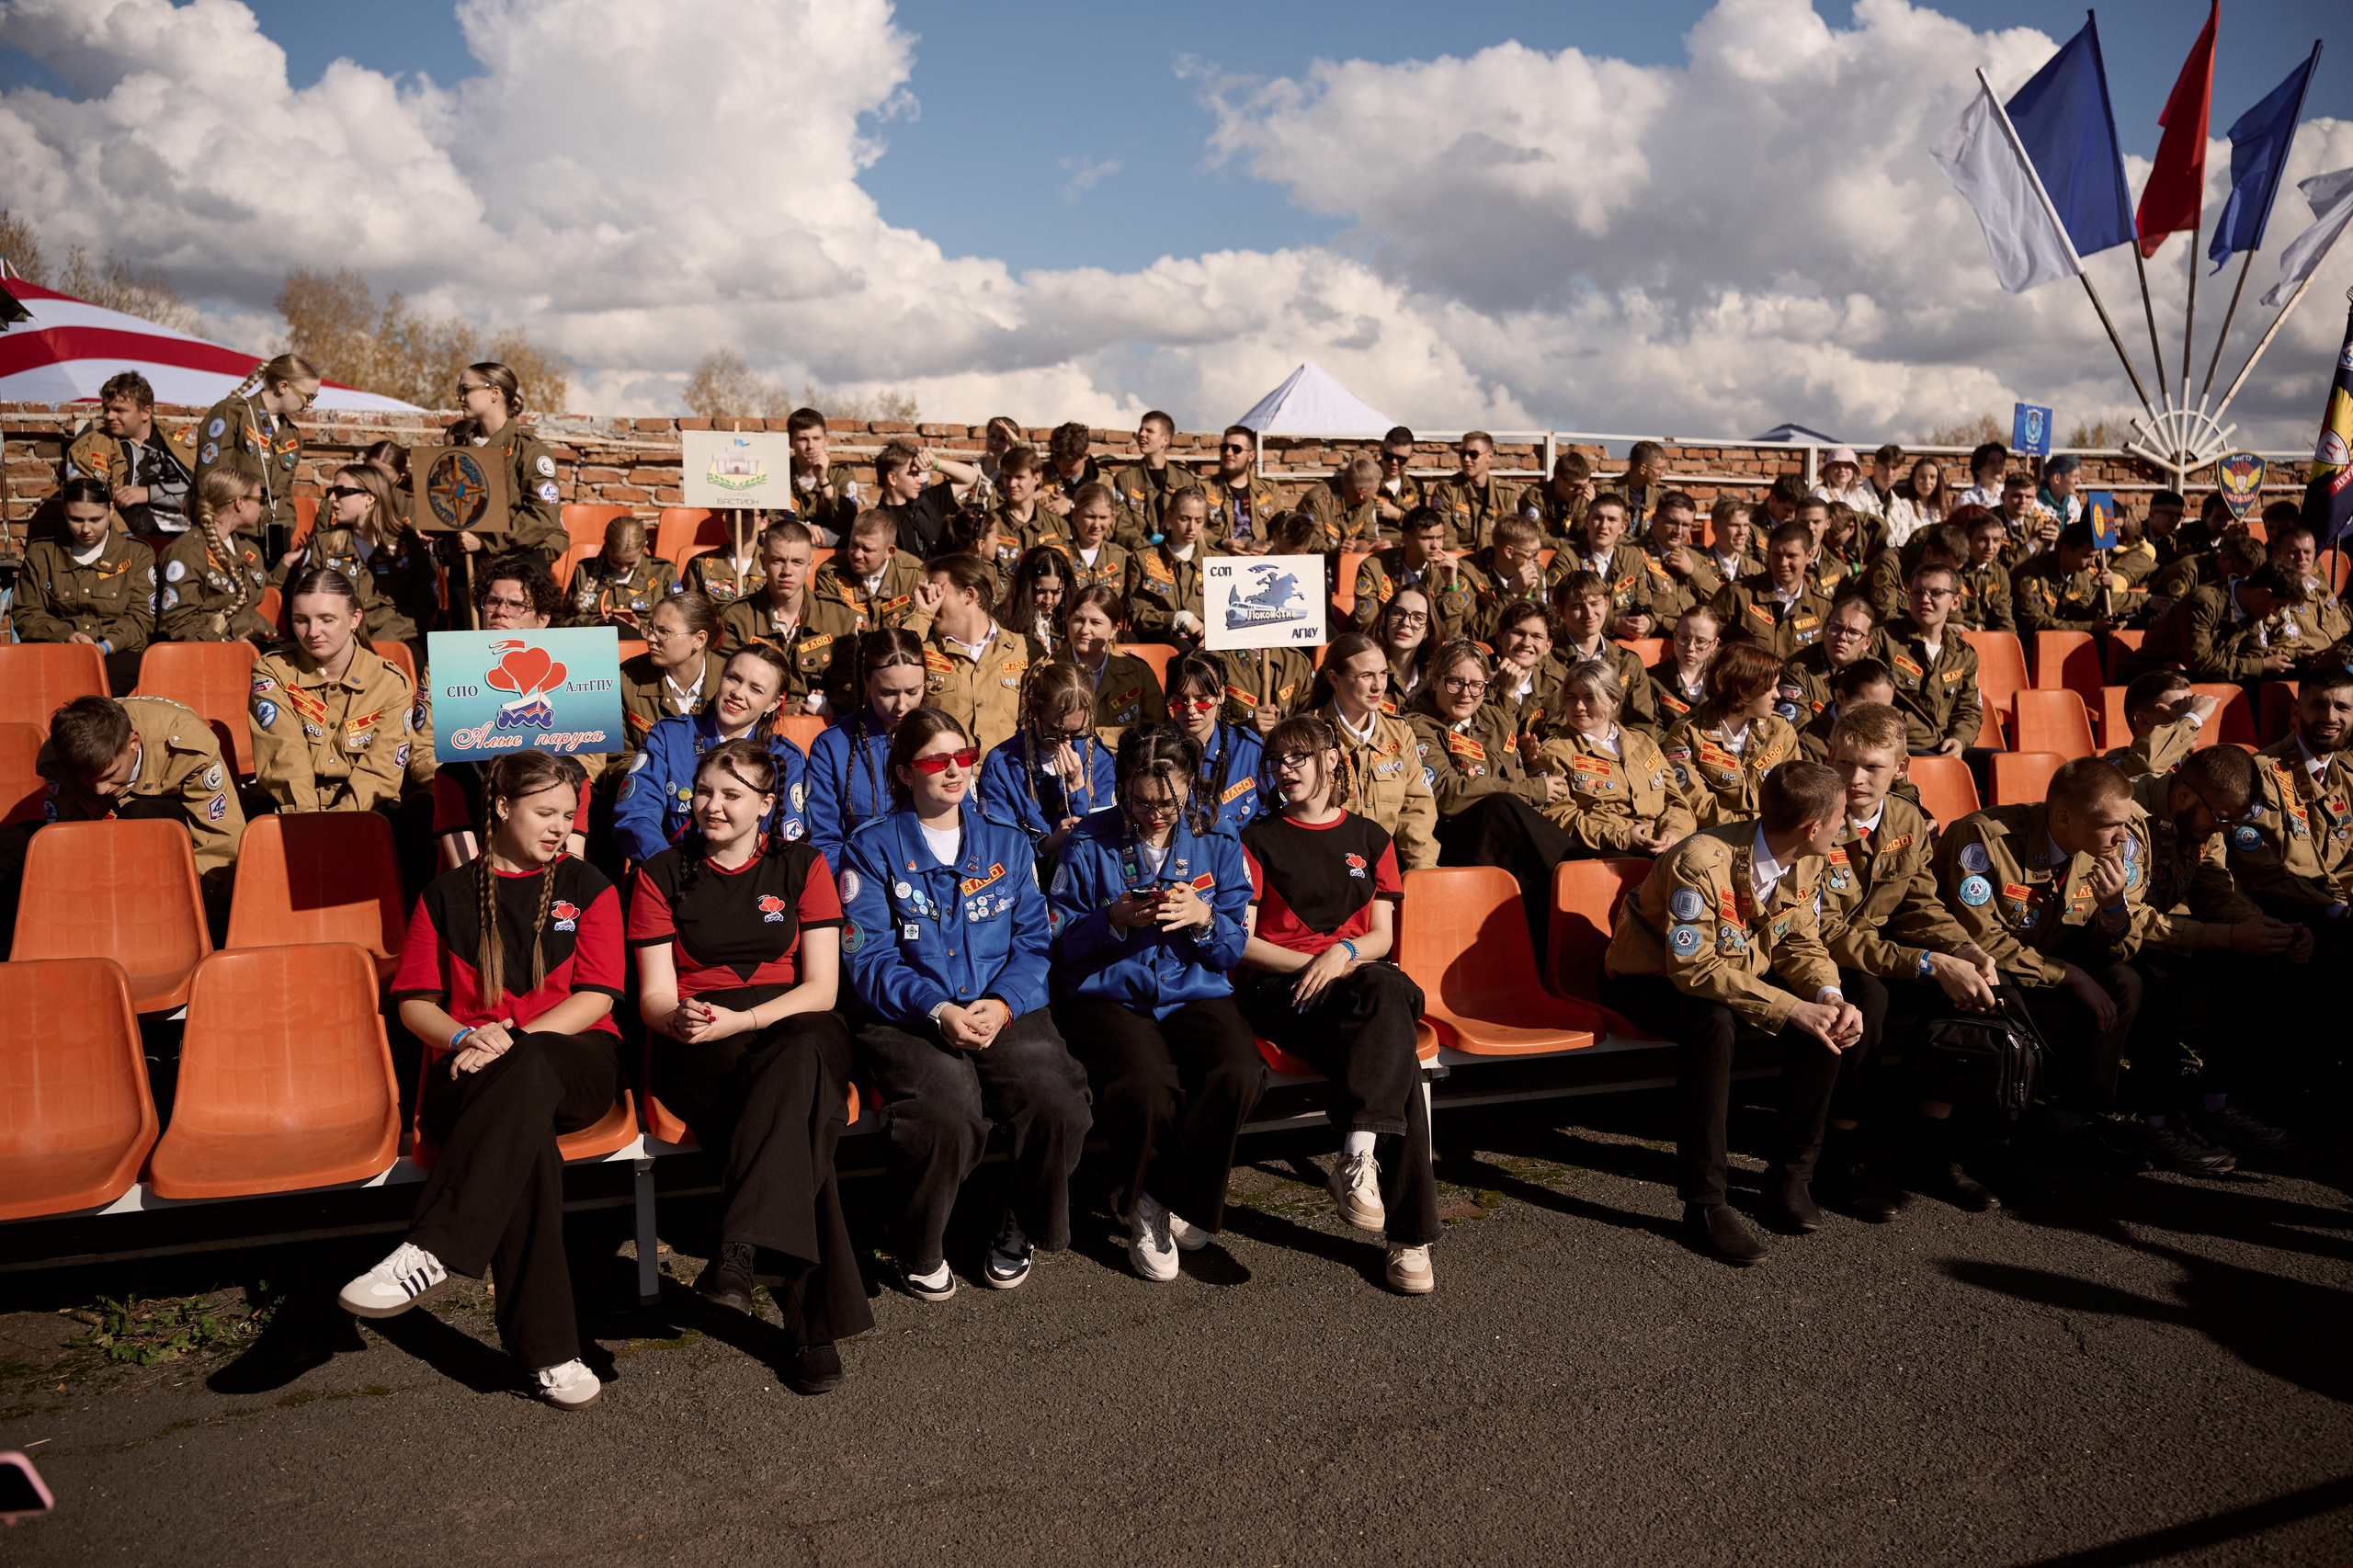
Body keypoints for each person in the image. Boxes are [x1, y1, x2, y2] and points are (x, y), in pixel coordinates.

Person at [341, 753, 618, 1410]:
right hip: (471, 1070)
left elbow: (600, 996)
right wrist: (466, 1036)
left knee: (528, 1070)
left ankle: (433, 1247)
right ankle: (551, 1355)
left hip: (572, 1061)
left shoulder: (591, 884)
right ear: (500, 807)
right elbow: (414, 1003)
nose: (560, 827)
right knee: (525, 1150)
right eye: (544, 813)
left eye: (568, 815)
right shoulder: (445, 894)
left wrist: (514, 1037)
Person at [629, 739, 869, 1392]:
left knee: (798, 1061)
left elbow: (822, 988)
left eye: (732, 795)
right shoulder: (661, 872)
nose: (713, 805)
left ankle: (738, 1252)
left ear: (766, 805)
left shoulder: (803, 865)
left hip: (798, 1021)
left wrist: (748, 1019)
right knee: (798, 1112)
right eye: (705, 791)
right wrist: (675, 1018)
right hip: (703, 1035)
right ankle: (807, 1326)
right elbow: (653, 994)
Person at [840, 707, 1092, 1298]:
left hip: (1002, 1006)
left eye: (963, 757)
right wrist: (936, 1008)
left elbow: (1034, 942)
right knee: (946, 1111)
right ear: (904, 772)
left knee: (1057, 1098)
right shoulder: (870, 849)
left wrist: (1004, 1003)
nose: (953, 770)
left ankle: (1019, 1225)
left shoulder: (1006, 842)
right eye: (935, 760)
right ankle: (917, 1245)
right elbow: (868, 958)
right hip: (909, 1016)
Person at [1601, 760, 1865, 1264]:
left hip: (1733, 969)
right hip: (1648, 976)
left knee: (1824, 1021)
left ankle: (1790, 1178)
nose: (1844, 828)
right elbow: (1693, 968)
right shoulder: (1701, 860)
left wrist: (1828, 996)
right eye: (1840, 818)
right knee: (1712, 1025)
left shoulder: (1807, 856)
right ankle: (1705, 1203)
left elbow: (1799, 943)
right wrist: (1790, 1008)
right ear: (1813, 827)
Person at [1048, 726, 1259, 1281]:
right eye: (1140, 802)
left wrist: (1205, 919)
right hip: (1110, 992)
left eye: (1167, 801)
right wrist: (1109, 921)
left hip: (1193, 986)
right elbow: (1056, 939)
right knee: (1147, 1087)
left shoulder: (1219, 834)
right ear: (1121, 789)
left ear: (1190, 785)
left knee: (1238, 1070)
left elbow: (1234, 943)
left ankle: (1169, 1190)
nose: (1155, 814)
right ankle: (1143, 1205)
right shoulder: (1088, 839)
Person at [1237, 713, 1439, 1292]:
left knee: (1384, 1004)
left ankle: (1359, 1157)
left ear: (1331, 758)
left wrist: (1341, 954)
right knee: (1391, 1015)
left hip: (1355, 989)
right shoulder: (1257, 839)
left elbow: (1380, 935)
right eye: (1276, 760)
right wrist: (1317, 963)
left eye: (1298, 757)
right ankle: (1408, 1233)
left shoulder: (1372, 837)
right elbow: (1246, 943)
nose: (1285, 770)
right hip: (1286, 991)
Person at [1813, 704, 2002, 1218]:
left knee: (1970, 986)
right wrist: (1927, 962)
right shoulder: (1810, 817)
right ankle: (1839, 1157)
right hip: (1815, 957)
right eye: (1845, 763)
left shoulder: (1906, 819)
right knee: (1867, 996)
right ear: (1828, 757)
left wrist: (1962, 949)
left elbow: (1919, 903)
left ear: (1900, 769)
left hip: (1876, 950)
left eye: (1872, 767)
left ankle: (1932, 1148)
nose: (1854, 779)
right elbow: (1824, 934)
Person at [1931, 758, 2152, 1175]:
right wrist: (2068, 976)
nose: (2124, 836)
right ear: (2064, 816)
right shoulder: (1985, 839)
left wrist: (2113, 911)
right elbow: (1985, 943)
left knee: (2125, 983)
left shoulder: (2100, 846)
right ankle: (1997, 1135)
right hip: (1990, 965)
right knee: (2001, 989)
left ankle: (2071, 1119)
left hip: (2048, 958)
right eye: (2113, 825)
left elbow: (2107, 952)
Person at [2119, 744, 2303, 1174]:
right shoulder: (2128, 817)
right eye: (2221, 819)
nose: (2225, 829)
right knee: (2157, 976)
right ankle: (2159, 1120)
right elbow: (2128, 919)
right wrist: (2231, 935)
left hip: (2166, 932)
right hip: (2110, 938)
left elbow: (2214, 888)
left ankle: (2216, 1103)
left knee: (2257, 960)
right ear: (2184, 796)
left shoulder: (2209, 820)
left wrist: (2263, 930)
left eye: (2233, 821)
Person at [15, 694, 244, 923]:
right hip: (105, 845)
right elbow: (69, 836)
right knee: (9, 847)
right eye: (86, 780)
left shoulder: (189, 748)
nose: (100, 790)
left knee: (138, 814)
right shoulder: (58, 758)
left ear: (134, 742)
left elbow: (221, 845)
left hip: (175, 843)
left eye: (110, 775)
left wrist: (182, 896)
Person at [427, 556, 592, 869]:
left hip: (548, 778)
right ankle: (471, 888)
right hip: (473, 784)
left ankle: (563, 887)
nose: (500, 611)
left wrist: (534, 784)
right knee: (449, 776)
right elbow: (424, 745)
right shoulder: (448, 665)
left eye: (515, 605)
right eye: (493, 601)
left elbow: (592, 749)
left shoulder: (574, 662)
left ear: (542, 619)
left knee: (574, 779)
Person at [615, 643, 807, 864]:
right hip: (673, 872)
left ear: (774, 704)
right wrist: (668, 869)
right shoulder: (669, 736)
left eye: (756, 689)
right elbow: (635, 816)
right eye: (733, 678)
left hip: (748, 885)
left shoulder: (784, 758)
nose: (738, 693)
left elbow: (787, 839)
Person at [248, 569, 415, 814]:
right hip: (290, 808)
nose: (313, 631)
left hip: (364, 810)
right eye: (301, 620)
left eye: (327, 619)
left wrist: (338, 823)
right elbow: (284, 757)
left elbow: (380, 772)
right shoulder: (272, 670)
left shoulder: (390, 683)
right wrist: (311, 823)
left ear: (355, 619)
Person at [1535, 656, 1698, 859]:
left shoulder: (1644, 744)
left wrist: (1675, 832)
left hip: (1661, 848)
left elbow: (1675, 801)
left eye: (1589, 697)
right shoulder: (1554, 752)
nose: (1578, 706)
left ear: (1614, 702)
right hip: (1604, 852)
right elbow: (1560, 818)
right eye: (1571, 698)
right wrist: (1622, 838)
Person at [12, 477, 153, 694]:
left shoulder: (137, 554)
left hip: (118, 658)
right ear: (64, 511)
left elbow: (141, 618)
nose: (86, 529)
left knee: (95, 691)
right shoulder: (42, 554)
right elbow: (26, 613)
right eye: (76, 519)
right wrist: (65, 635)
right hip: (56, 655)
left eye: (96, 519)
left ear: (111, 509)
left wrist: (105, 646)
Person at [1312, 632, 1438, 869]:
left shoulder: (1399, 732)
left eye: (1383, 674)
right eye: (1366, 675)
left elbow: (1417, 806)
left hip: (1384, 867)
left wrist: (1422, 868)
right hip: (1328, 868)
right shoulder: (1308, 734)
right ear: (1334, 679)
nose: (1378, 685)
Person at [803, 629, 926, 866]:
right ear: (867, 681)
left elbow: (965, 828)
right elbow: (823, 842)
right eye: (887, 693)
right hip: (859, 885)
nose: (901, 705)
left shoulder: (943, 740)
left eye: (913, 692)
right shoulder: (831, 748)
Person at [718, 519, 860, 715]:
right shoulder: (736, 618)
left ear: (810, 565)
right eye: (777, 561)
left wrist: (829, 708)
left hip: (821, 730)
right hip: (753, 731)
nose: (787, 572)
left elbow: (850, 690)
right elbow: (725, 690)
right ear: (763, 562)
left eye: (797, 562)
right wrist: (784, 711)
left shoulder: (839, 617)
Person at [979, 660, 1117, 859]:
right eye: (1054, 731)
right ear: (1034, 710)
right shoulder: (1002, 765)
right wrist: (1047, 845)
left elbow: (1103, 843)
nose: (1065, 741)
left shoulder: (1100, 759)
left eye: (1077, 732)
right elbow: (1000, 847)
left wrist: (1077, 787)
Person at [300, 463, 435, 658]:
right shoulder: (324, 542)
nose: (331, 499)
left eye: (341, 491)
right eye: (331, 491)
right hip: (336, 645)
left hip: (395, 641)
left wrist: (380, 641)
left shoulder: (408, 543)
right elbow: (306, 602)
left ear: (370, 498)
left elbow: (424, 607)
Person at [1664, 642, 1802, 825]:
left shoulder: (1780, 728)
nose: (1777, 695)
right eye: (1770, 687)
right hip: (1716, 835)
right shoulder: (1687, 732)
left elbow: (1795, 791)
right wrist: (1750, 828)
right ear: (1743, 688)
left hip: (1772, 833)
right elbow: (1695, 802)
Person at [191, 353, 318, 547]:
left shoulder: (291, 435)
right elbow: (211, 482)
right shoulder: (233, 413)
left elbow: (283, 493)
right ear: (283, 386)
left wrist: (287, 528)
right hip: (233, 534)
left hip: (273, 539)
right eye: (308, 396)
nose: (310, 404)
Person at [445, 361, 567, 563]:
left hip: (515, 564)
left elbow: (543, 515)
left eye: (465, 389)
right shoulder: (459, 449)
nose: (459, 397)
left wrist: (488, 541)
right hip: (464, 565)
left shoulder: (529, 450)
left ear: (494, 393)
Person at [915, 552, 1039, 753]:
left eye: (938, 591)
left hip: (1006, 779)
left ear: (969, 595)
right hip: (949, 776)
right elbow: (894, 657)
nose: (931, 599)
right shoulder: (922, 652)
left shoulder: (1025, 651)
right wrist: (922, 613)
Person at [64, 369, 194, 538]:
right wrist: (128, 542)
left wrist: (147, 493)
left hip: (194, 537)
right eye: (106, 409)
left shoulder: (182, 441)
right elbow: (89, 506)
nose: (109, 416)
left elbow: (209, 492)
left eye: (119, 410)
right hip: (134, 542)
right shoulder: (87, 449)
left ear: (146, 412)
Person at [155, 467, 273, 645]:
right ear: (239, 502)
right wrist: (225, 645)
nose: (262, 506)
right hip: (210, 653)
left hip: (255, 641)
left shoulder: (248, 549)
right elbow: (177, 623)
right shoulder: (187, 552)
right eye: (259, 499)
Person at [1879, 563, 1984, 758]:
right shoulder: (1883, 641)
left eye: (1936, 593)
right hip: (1898, 745)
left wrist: (1959, 740)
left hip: (1943, 746)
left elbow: (1969, 710)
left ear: (1955, 601)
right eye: (1917, 592)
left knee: (1997, 759)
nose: (1924, 599)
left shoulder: (1963, 655)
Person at [1164, 651, 1271, 835]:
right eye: (1179, 702)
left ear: (1221, 694)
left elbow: (1271, 819)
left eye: (1202, 701)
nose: (1191, 710)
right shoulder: (1153, 753)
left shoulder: (1249, 751)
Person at [1546, 571, 1658, 733]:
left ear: (1606, 603)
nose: (1589, 614)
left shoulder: (1628, 663)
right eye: (1578, 606)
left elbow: (1642, 726)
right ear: (1561, 611)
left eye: (1594, 603)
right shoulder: (1547, 660)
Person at [1351, 506, 1480, 644]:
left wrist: (1451, 587)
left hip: (1426, 652)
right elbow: (1368, 628)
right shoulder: (1374, 567)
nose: (1435, 546)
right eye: (1427, 538)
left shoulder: (1445, 572)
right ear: (1405, 539)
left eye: (1440, 538)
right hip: (1383, 648)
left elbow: (1452, 637)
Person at [620, 591, 727, 756]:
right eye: (650, 628)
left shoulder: (730, 680)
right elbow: (619, 759)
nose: (651, 638)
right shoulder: (626, 680)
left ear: (699, 639)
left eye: (663, 632)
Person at [1711, 520, 1834, 662]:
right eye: (1776, 555)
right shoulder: (1737, 594)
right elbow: (1708, 646)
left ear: (1809, 555)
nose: (1782, 563)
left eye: (1791, 556)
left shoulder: (1821, 607)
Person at [814, 507, 928, 631]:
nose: (857, 554)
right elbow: (831, 629)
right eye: (854, 544)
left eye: (867, 549)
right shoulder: (830, 573)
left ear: (889, 552)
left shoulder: (913, 574)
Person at [1128, 485, 1214, 646]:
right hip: (1163, 641)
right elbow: (1138, 615)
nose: (1191, 527)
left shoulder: (1216, 560)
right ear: (1169, 515)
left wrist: (1213, 634)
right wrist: (1181, 618)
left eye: (1198, 520)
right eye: (1184, 519)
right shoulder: (1144, 558)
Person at [1777, 595, 1878, 729]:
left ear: (1867, 643)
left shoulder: (1876, 673)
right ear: (1824, 629)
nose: (1842, 637)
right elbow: (1799, 734)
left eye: (1853, 632)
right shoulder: (1796, 672)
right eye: (1836, 628)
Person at [871, 439, 981, 559]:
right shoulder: (877, 522)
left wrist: (936, 464)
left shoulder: (928, 501)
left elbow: (971, 477)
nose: (920, 480)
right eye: (914, 474)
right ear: (893, 478)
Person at [1569, 493, 1657, 640]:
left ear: (1623, 527)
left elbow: (1645, 605)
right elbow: (1559, 615)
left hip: (1622, 645)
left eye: (1612, 520)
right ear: (1586, 522)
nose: (1604, 526)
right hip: (1578, 643)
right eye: (1597, 517)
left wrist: (1646, 622)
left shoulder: (1632, 558)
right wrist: (1613, 623)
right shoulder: (1568, 557)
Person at [2013, 520, 2120, 638]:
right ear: (2065, 549)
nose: (2093, 564)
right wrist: (2092, 627)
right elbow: (2036, 623)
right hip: (2031, 644)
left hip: (2067, 640)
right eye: (2087, 556)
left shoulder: (2082, 574)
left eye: (2095, 557)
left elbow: (2081, 616)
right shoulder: (2031, 573)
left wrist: (2107, 592)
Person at [566, 514, 673, 631]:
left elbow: (678, 624)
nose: (623, 569)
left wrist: (643, 628)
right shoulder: (586, 571)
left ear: (644, 547)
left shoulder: (663, 572)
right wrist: (595, 623)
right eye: (615, 561)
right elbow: (564, 621)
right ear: (606, 546)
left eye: (631, 563)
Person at [2101, 673, 2216, 778]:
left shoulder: (2200, 769)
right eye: (2179, 710)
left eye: (2189, 708)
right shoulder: (2112, 768)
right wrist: (2194, 716)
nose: (2187, 721)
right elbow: (2146, 764)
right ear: (2143, 720)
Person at [1110, 410, 1195, 550]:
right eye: (1141, 430)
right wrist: (1147, 548)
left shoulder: (1184, 479)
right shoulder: (1125, 478)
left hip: (1177, 555)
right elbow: (1122, 527)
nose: (1142, 434)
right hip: (1139, 556)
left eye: (1149, 431)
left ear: (1165, 440)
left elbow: (1195, 523)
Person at [1427, 431, 1520, 553]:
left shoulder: (1506, 493)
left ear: (1489, 456)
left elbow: (1511, 538)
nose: (1466, 459)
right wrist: (1473, 566)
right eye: (1462, 454)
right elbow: (1446, 539)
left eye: (1473, 454)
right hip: (1459, 562)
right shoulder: (1447, 490)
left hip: (1496, 563)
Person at [1639, 494, 1719, 634]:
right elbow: (1639, 614)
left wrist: (1693, 573)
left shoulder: (1695, 557)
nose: (1679, 531)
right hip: (1655, 640)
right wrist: (1683, 628)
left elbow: (1720, 602)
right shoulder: (1633, 555)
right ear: (1655, 520)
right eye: (1672, 522)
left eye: (1686, 525)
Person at [1201, 426, 1285, 555]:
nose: (1228, 453)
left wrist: (1267, 548)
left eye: (1236, 449)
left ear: (1251, 456)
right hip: (1220, 564)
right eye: (1224, 448)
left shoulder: (1270, 490)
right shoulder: (1203, 488)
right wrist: (1222, 543)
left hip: (1261, 564)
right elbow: (1195, 529)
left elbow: (1280, 531)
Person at [1794, 657, 1895, 763]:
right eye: (1868, 707)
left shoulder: (1890, 738)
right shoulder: (1807, 745)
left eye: (1885, 709)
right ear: (1841, 696)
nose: (1878, 716)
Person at [785, 407, 860, 546]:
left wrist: (823, 480)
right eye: (803, 439)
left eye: (816, 438)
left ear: (826, 440)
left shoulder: (841, 472)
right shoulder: (779, 472)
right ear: (791, 441)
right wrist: (800, 529)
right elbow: (769, 521)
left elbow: (848, 523)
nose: (811, 446)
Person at [1487, 597, 1559, 734]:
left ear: (1547, 646)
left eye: (1536, 636)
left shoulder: (1553, 689)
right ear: (1500, 637)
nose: (1526, 643)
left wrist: (1533, 751)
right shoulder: (1475, 679)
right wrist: (1506, 693)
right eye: (1518, 633)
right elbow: (1488, 739)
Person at [1054, 483, 1133, 597]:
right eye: (1090, 517)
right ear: (1075, 515)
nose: (1096, 525)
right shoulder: (1057, 553)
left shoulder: (1121, 557)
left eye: (1103, 517)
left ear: (1112, 517)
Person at [1648, 601, 1719, 727]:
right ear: (1674, 634)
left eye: (1700, 641)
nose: (1691, 647)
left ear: (1714, 644)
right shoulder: (1653, 679)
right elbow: (1654, 731)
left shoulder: (1723, 679)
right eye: (1684, 638)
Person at [1953, 508, 2018, 634]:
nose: (1990, 547)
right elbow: (1952, 616)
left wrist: (2009, 641)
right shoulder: (1955, 569)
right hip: (1960, 637)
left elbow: (2003, 617)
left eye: (1996, 540)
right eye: (1983, 539)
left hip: (1988, 640)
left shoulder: (2000, 573)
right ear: (1968, 539)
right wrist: (1971, 627)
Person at [1302, 455, 1385, 551]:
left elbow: (1369, 537)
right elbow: (1310, 543)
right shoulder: (1316, 502)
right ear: (1362, 493)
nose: (1375, 495)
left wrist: (1372, 546)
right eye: (1375, 490)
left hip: (1354, 562)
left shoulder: (1367, 503)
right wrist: (1338, 551)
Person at [1375, 586, 1438, 711]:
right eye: (1398, 613)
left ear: (1427, 631)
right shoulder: (1360, 666)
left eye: (1418, 617)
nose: (1405, 622)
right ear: (1386, 618)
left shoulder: (1434, 678)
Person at [683, 510, 763, 606]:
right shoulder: (700, 564)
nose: (737, 521)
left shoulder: (775, 563)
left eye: (746, 515)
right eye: (731, 514)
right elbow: (687, 610)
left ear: (763, 522)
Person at [994, 446, 1060, 552]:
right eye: (1007, 477)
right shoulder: (991, 524)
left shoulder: (1057, 524)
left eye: (1019, 477)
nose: (1012, 484)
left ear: (1036, 478)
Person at [1524, 449, 1596, 540]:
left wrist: (1592, 511)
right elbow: (1536, 537)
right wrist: (1569, 547)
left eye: (1584, 487)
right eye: (1576, 486)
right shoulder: (1535, 496)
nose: (1580, 492)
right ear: (1558, 479)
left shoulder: (1581, 499)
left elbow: (1580, 535)